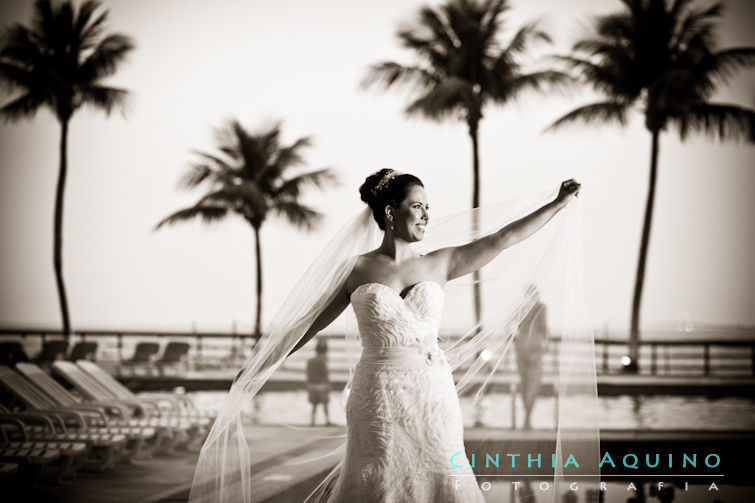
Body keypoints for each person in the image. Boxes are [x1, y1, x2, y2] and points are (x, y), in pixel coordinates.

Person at [189, 169, 596, 503]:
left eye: (427, 208)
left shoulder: (441, 263)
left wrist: (557, 204)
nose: (425, 216)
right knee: (377, 478)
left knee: (444, 475)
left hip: (433, 395)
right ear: (389, 212)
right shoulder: (356, 271)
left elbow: (502, 239)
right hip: (375, 397)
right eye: (417, 206)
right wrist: (257, 366)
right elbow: (306, 325)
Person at [514, 284, 549, 430]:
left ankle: (527, 417)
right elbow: (544, 328)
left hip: (521, 346)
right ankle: (528, 417)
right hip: (535, 348)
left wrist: (516, 336)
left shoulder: (520, 308)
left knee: (524, 382)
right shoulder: (541, 307)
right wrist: (546, 344)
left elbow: (511, 327)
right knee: (533, 383)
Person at [306, 338, 332, 426]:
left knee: (314, 405)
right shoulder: (323, 362)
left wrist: (309, 385)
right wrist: (328, 386)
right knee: (325, 404)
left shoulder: (310, 361)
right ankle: (327, 420)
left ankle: (312, 421)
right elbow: (325, 375)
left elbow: (308, 374)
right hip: (321, 386)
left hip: (312, 385)